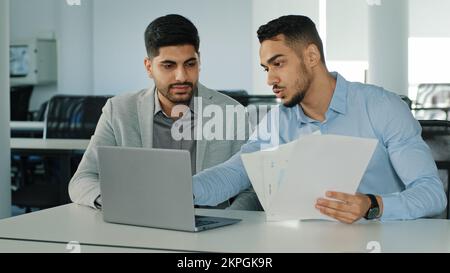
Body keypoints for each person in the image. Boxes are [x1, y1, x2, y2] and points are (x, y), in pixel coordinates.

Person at [192, 15, 447, 223]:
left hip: (382, 241)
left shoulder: (382, 107)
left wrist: (373, 205)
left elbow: (432, 193)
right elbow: (236, 171)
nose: (270, 79)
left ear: (311, 57)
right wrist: (180, 188)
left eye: (278, 64)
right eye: (266, 68)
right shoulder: (279, 120)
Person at [69, 14, 256, 210]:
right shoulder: (119, 111)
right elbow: (83, 178)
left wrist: (229, 222)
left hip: (211, 231)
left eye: (190, 64)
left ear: (199, 61)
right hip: (138, 226)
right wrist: (118, 204)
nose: (181, 76)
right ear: (149, 67)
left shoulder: (231, 112)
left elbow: (250, 188)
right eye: (168, 65)